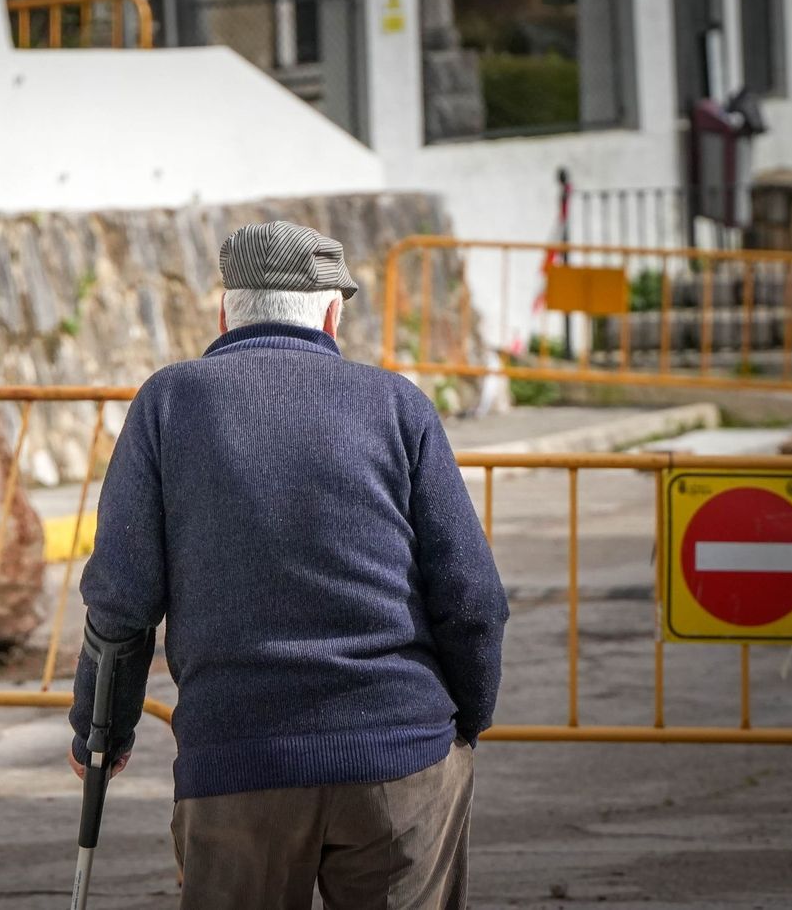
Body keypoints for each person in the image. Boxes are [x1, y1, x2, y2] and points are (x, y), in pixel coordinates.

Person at [67, 220, 510, 910]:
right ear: (332, 313)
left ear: (225, 310)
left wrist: (100, 732)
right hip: (398, 750)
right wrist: (464, 723)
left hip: (239, 761)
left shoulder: (169, 401)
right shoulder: (398, 404)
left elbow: (121, 604)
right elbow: (474, 598)